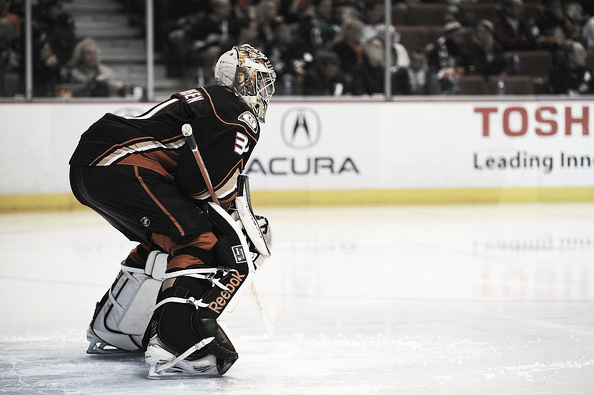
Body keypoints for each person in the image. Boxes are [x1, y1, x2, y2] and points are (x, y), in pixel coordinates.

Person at [69, 44, 276, 377]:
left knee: (168, 238)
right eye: (258, 80)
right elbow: (198, 185)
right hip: (122, 166)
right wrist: (230, 218)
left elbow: (191, 178)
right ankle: (176, 341)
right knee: (199, 239)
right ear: (240, 80)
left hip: (92, 164)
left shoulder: (211, 100)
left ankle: (119, 329)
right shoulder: (238, 113)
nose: (263, 90)